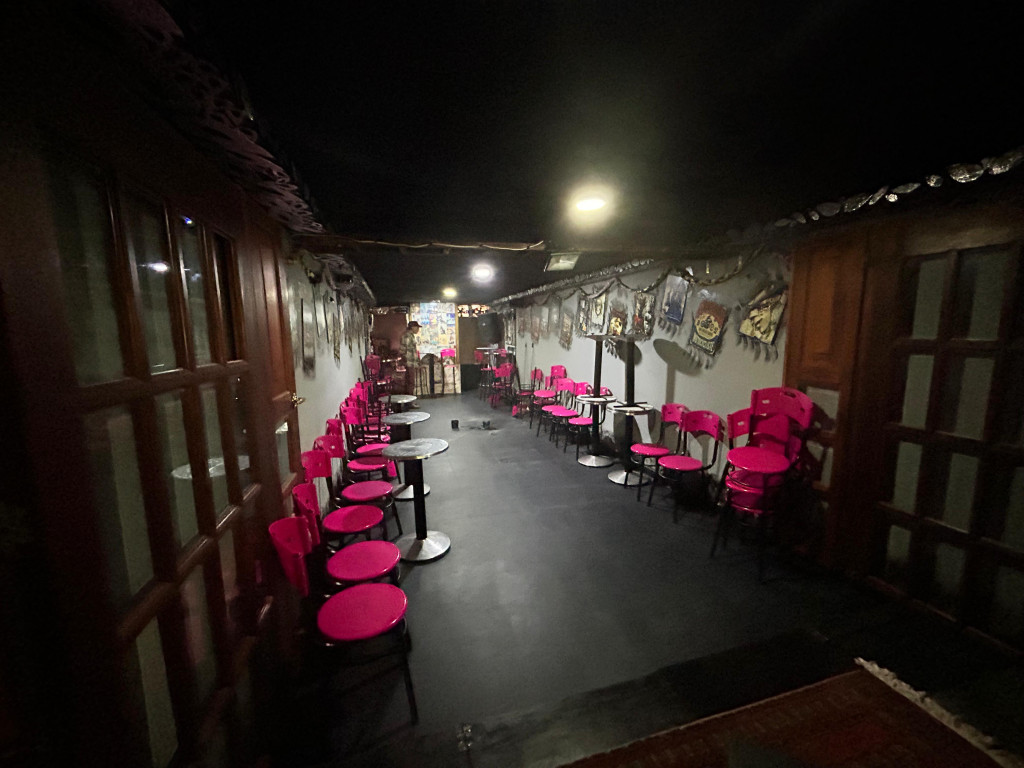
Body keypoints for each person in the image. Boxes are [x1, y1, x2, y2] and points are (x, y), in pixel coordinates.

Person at [399, 320, 421, 394]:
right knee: (411, 381)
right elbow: (403, 349)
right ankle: (409, 398)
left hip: (410, 362)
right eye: (417, 327)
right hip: (409, 362)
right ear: (412, 327)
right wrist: (404, 359)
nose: (418, 329)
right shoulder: (408, 336)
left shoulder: (410, 336)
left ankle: (409, 397)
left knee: (409, 381)